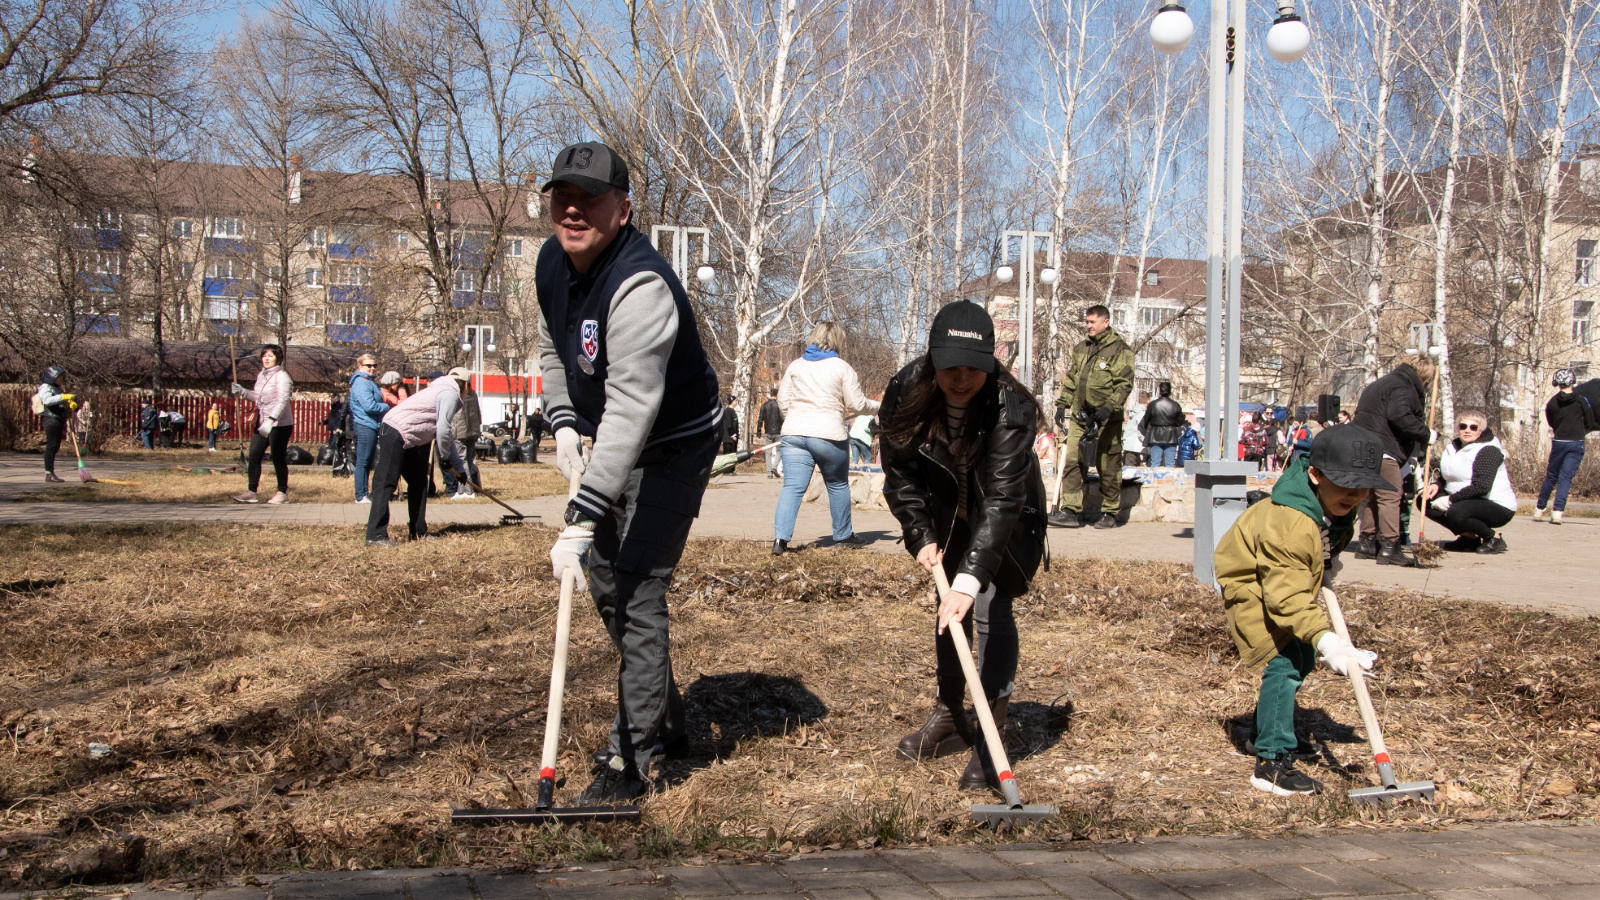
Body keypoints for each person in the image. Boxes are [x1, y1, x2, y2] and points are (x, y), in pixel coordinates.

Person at [536, 141, 723, 804]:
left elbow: (632, 409)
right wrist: (561, 421)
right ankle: (665, 718)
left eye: (590, 197)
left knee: (638, 588)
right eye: (563, 195)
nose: (573, 208)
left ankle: (630, 759)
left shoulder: (641, 285)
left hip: (674, 445)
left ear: (622, 209)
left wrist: (583, 512)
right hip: (612, 439)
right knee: (608, 588)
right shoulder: (552, 262)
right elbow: (552, 346)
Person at [879, 301, 1048, 795]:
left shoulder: (1009, 406)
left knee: (989, 605)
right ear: (932, 358)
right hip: (945, 513)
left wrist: (971, 579)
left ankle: (990, 735)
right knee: (947, 610)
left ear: (989, 363)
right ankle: (952, 715)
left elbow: (1001, 501)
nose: (960, 378)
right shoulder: (906, 388)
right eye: (950, 366)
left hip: (1006, 519)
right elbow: (900, 471)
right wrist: (919, 532)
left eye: (973, 368)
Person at [1215, 424, 1387, 795]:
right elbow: (1285, 598)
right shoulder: (1290, 523)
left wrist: (1328, 561)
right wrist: (1328, 641)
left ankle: (1264, 732)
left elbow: (1330, 537)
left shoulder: (1337, 503)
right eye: (1345, 484)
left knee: (1303, 657)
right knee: (1287, 660)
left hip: (1288, 578)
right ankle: (1271, 761)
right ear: (1315, 474)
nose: (1355, 494)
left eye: (1364, 486)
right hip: (1254, 583)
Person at [772, 321, 880, 554]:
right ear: (838, 341)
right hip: (828, 434)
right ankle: (843, 535)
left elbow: (782, 401)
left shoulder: (795, 366)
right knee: (838, 485)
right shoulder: (842, 367)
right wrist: (880, 406)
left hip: (794, 433)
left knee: (792, 487)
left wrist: (796, 419)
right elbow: (857, 404)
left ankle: (780, 541)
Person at [366, 367, 472, 545]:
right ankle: (375, 536)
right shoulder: (449, 394)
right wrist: (445, 459)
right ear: (467, 385)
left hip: (407, 437)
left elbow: (447, 436)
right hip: (395, 431)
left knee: (419, 482)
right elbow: (443, 430)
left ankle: (418, 531)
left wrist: (458, 468)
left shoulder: (441, 390)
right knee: (386, 483)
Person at [1051, 304, 1135, 528]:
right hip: (1081, 416)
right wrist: (1062, 405)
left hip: (1106, 419)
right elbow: (1072, 379)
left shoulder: (1120, 350)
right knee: (1072, 461)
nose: (1088, 326)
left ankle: (1109, 512)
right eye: (1086, 322)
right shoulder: (1081, 348)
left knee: (1108, 465)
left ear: (1105, 323)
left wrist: (1110, 407)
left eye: (1092, 322)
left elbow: (1124, 385)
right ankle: (1070, 510)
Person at [1351, 360, 1434, 566]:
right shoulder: (1403, 387)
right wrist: (1426, 434)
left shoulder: (1380, 383)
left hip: (1363, 446)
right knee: (1389, 496)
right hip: (1384, 448)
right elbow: (1400, 415)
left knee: (1370, 496)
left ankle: (1367, 542)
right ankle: (1390, 546)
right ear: (1423, 378)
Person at [1426, 412, 1516, 553]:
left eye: (1473, 427)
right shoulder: (1454, 447)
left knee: (1456, 512)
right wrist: (1437, 485)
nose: (1467, 430)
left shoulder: (1489, 450)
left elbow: (1482, 487)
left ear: (1481, 430)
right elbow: (1449, 474)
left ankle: (1493, 538)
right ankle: (1468, 538)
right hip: (1467, 499)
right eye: (1463, 426)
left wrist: (1450, 500)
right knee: (1425, 500)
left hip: (1496, 504)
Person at [231, 344, 294, 504]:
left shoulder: (282, 377)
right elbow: (258, 397)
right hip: (262, 421)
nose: (266, 358)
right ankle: (252, 492)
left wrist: (271, 420)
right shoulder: (262, 376)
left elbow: (283, 400)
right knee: (254, 456)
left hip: (279, 424)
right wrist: (242, 392)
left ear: (278, 359)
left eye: (270, 356)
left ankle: (282, 493)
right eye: (264, 355)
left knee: (278, 457)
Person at [1535, 369, 1593, 524]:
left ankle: (1539, 510)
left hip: (1559, 442)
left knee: (1551, 475)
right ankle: (1557, 512)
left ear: (1556, 383)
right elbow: (1590, 421)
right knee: (1565, 477)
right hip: (1576, 443)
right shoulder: (1581, 401)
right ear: (1572, 381)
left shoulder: (1552, 403)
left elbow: (1551, 422)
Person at [348, 354, 389, 504]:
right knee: (363, 461)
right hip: (365, 425)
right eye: (368, 365)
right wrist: (387, 406)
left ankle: (364, 493)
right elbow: (369, 406)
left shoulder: (369, 382)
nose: (372, 368)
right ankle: (360, 495)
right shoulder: (361, 383)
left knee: (367, 460)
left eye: (374, 365)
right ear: (360, 367)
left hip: (372, 424)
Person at [442, 380, 483, 499]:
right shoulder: (473, 394)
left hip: (460, 432)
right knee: (468, 461)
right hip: (472, 431)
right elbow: (477, 414)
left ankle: (465, 491)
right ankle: (469, 489)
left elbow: (454, 416)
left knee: (461, 461)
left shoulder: (456, 396)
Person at [35, 366, 74, 482]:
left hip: (58, 418)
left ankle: (51, 472)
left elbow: (59, 401)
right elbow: (47, 400)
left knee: (56, 446)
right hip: (51, 419)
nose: (61, 380)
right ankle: (49, 474)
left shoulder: (57, 389)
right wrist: (63, 397)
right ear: (52, 377)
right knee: (51, 446)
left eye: (62, 378)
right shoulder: (45, 388)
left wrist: (68, 404)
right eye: (59, 378)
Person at [1141, 382, 1185, 467]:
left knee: (1155, 463)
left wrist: (1147, 432)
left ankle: (1155, 480)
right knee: (1170, 463)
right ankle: (1169, 480)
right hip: (1171, 435)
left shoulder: (1153, 404)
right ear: (1170, 391)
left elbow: (1146, 420)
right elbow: (1180, 422)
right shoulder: (1175, 405)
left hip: (1156, 435)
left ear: (1159, 391)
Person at [757, 387, 784, 478]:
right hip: (778, 431)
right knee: (780, 451)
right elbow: (782, 418)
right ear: (777, 395)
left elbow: (760, 419)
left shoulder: (764, 405)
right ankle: (774, 466)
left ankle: (769, 473)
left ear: (770, 394)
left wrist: (758, 432)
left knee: (768, 452)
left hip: (768, 431)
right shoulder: (779, 406)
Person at [1123, 391, 1148, 467]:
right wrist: (1145, 441)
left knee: (1129, 469)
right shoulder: (1142, 413)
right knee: (1129, 471)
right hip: (1134, 446)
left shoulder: (1134, 411)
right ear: (1148, 401)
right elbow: (1140, 429)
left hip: (1129, 444)